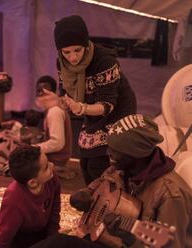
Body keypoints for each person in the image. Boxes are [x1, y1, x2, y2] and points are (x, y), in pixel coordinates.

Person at [68, 114, 192, 248]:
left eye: (116, 150)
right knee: (59, 242)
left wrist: (131, 238)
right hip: (109, 241)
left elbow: (170, 245)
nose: (108, 153)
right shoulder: (121, 169)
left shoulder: (171, 196)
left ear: (137, 153)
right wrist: (87, 193)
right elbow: (102, 183)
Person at [54, 15, 137, 184]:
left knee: (99, 165)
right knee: (84, 163)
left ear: (86, 44)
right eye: (66, 52)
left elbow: (107, 105)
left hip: (117, 113)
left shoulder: (104, 61)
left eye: (77, 50)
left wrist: (81, 108)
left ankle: (107, 205)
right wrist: (64, 102)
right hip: (90, 112)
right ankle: (93, 205)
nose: (73, 57)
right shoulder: (62, 63)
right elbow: (64, 90)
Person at [0, 145, 61, 248]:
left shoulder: (51, 179)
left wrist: (52, 235)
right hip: (19, 234)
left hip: (40, 229)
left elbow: (55, 207)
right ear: (33, 183)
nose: (52, 165)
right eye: (46, 167)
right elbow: (3, 236)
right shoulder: (14, 200)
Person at [34, 75, 74, 180]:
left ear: (54, 92)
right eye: (39, 91)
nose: (42, 94)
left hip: (55, 162)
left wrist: (33, 148)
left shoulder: (54, 111)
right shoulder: (51, 109)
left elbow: (57, 143)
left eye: (46, 90)